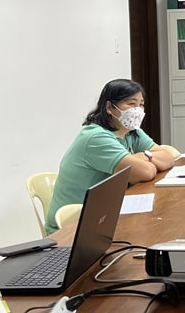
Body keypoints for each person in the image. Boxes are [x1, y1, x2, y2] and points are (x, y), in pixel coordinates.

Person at [45, 79, 174, 234]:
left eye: (141, 104)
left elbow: (168, 157)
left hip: (104, 214)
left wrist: (143, 156)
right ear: (109, 107)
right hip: (73, 228)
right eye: (131, 104)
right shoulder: (96, 138)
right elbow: (145, 173)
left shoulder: (131, 132)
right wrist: (147, 160)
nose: (138, 110)